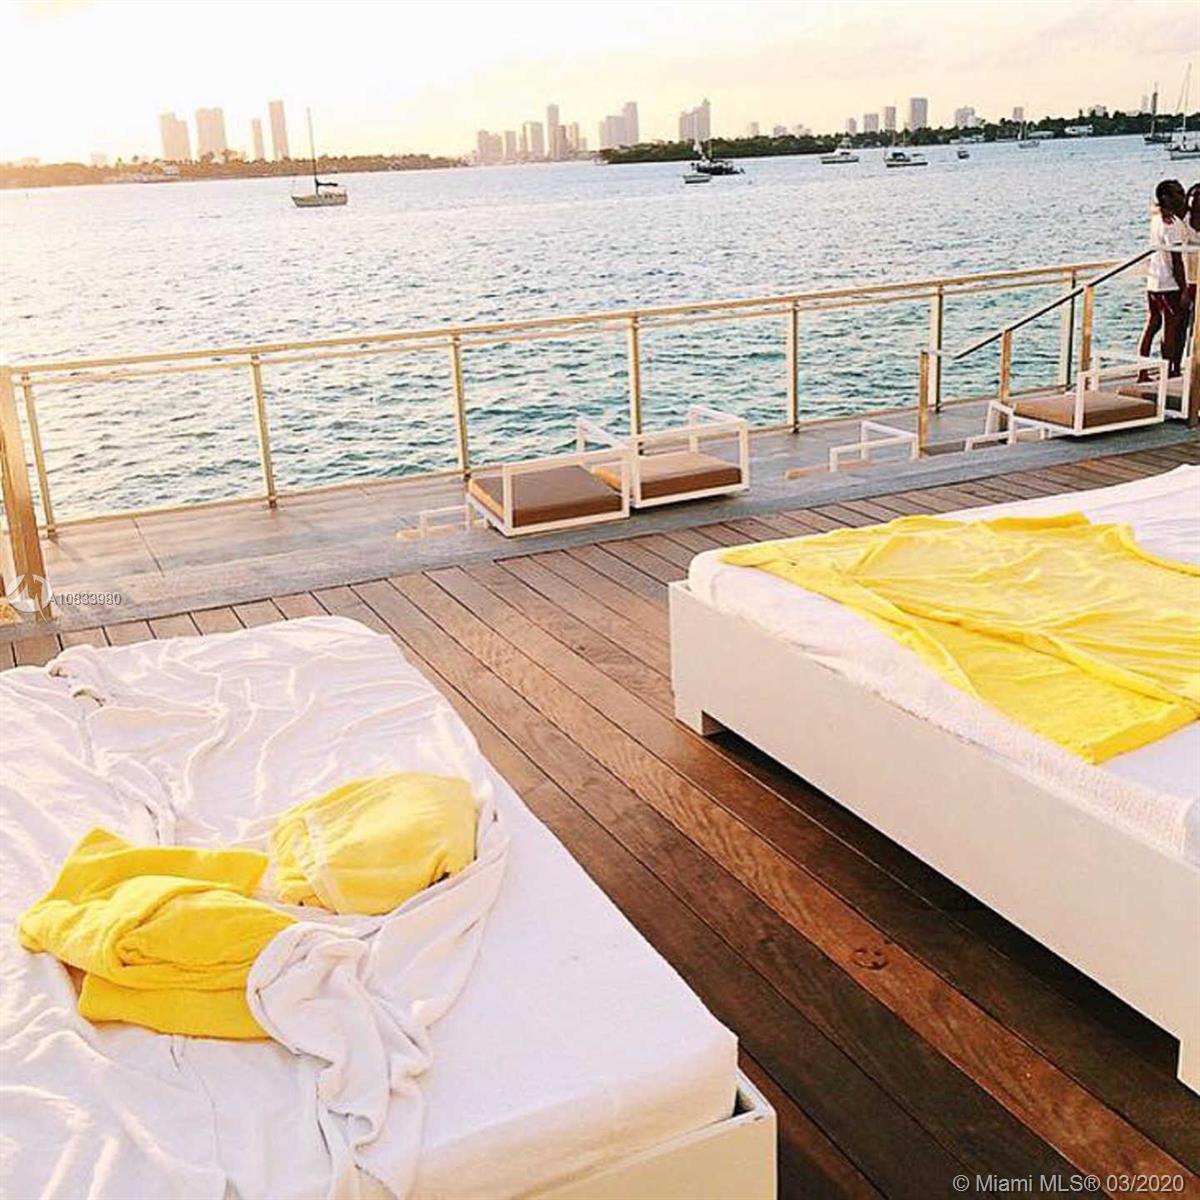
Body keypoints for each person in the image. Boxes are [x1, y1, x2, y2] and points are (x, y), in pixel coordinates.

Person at [1140, 179, 1188, 379]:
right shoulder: (1172, 224)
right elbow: (1176, 260)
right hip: (1169, 283)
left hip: (1154, 281)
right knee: (1170, 326)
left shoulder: (1157, 219)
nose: (1182, 197)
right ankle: (1168, 370)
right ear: (1166, 197)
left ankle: (1142, 370)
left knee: (1152, 325)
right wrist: (1183, 289)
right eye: (1178, 193)